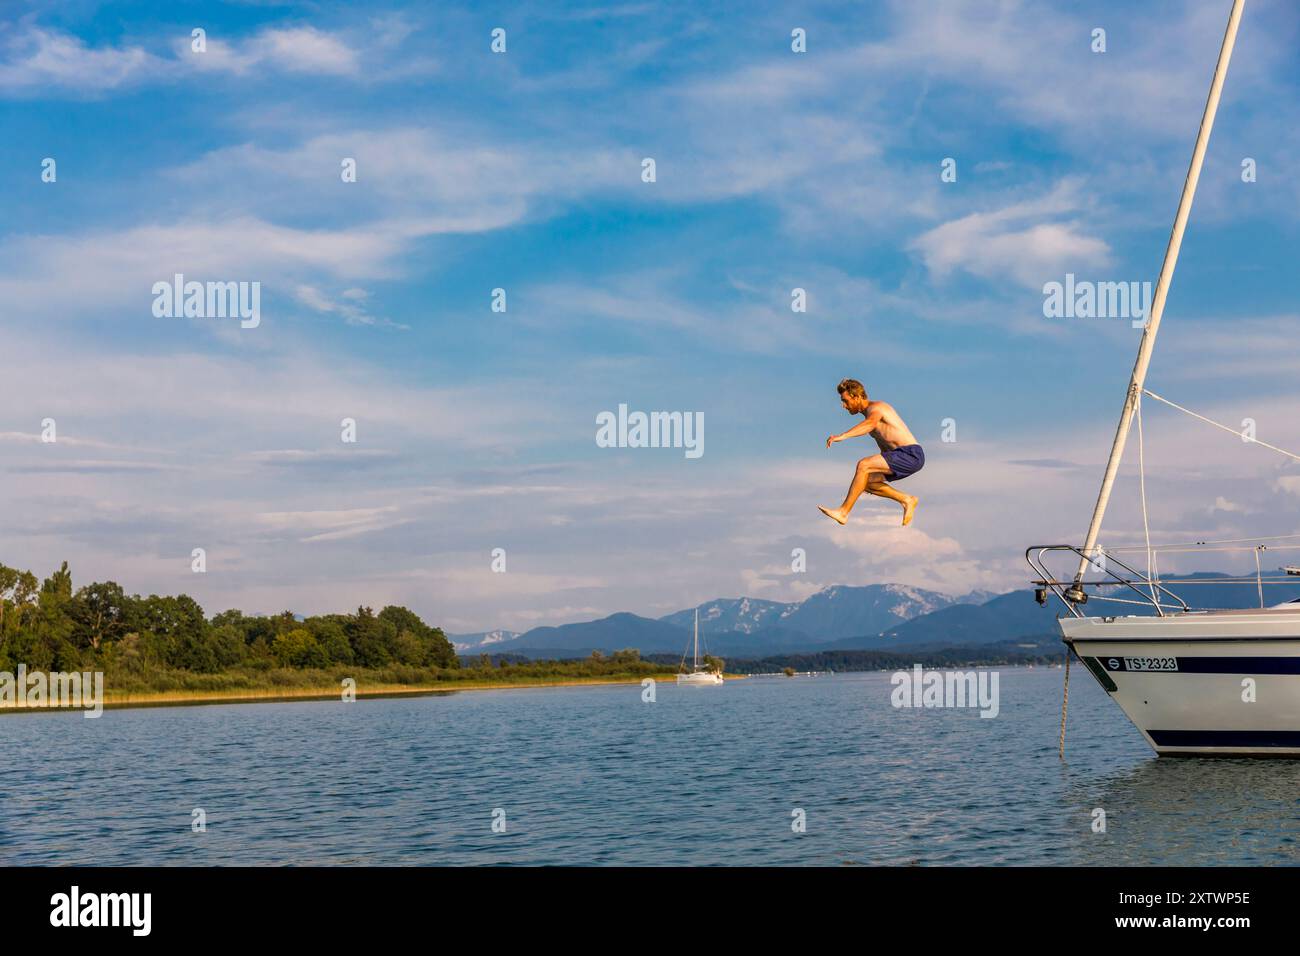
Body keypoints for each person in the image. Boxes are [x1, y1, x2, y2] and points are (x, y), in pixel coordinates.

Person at [818, 379, 923, 527]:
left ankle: (843, 512)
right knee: (864, 482)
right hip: (901, 456)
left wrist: (842, 436)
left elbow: (870, 424)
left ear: (857, 397)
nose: (844, 406)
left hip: (911, 454)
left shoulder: (877, 408)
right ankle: (907, 499)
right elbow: (885, 450)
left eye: (846, 401)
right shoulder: (870, 418)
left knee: (863, 465)